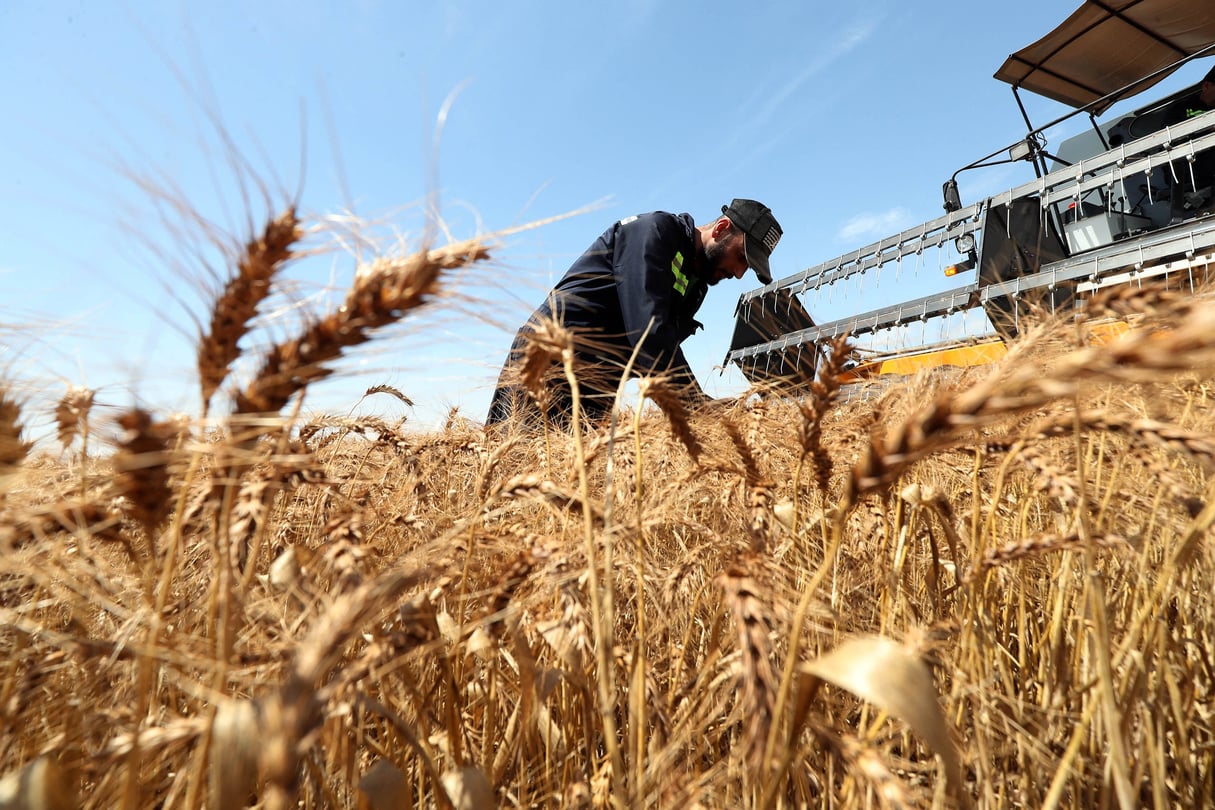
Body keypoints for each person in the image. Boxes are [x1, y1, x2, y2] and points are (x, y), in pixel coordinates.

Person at [486, 198, 782, 427]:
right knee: (521, 473)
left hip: (598, 383)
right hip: (546, 363)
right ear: (720, 229)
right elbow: (649, 334)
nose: (740, 273)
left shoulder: (697, 286)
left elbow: (657, 360)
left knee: (576, 487)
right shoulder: (655, 233)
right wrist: (698, 405)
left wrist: (695, 408)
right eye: (741, 257)